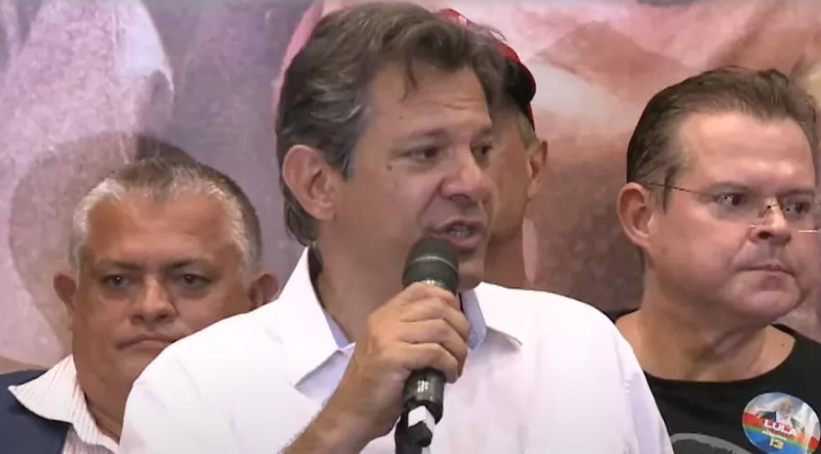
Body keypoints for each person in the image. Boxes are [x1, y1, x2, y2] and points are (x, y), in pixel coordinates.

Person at [118, 3, 672, 453]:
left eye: (481, 149)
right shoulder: (193, 389)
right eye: (426, 153)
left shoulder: (582, 348)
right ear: (317, 183)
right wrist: (341, 425)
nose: (473, 182)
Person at [0, 140, 279, 453]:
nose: (151, 306)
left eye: (189, 279)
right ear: (72, 301)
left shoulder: (314, 435)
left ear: (256, 302)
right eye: (117, 281)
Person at [611, 67, 821, 454]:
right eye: (733, 199)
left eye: (797, 206)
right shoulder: (556, 370)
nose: (778, 226)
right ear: (642, 217)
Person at [437, 8, 548, 290]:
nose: (462, 181)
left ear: (534, 168)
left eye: (481, 148)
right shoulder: (348, 319)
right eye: (427, 151)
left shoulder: (579, 321)